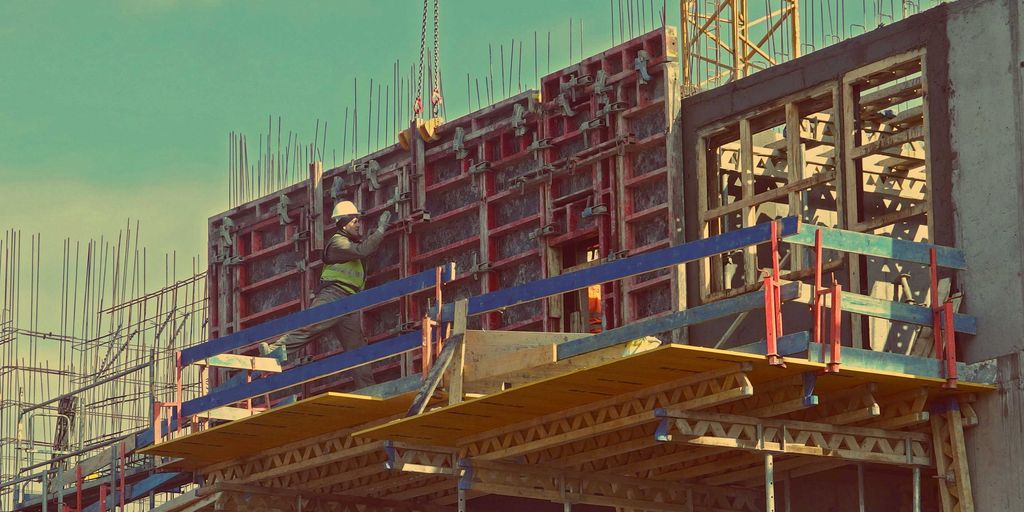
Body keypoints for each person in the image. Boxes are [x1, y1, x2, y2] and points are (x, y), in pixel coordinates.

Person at [260, 200, 391, 390]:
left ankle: (368, 388)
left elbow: (363, 248)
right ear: (344, 222)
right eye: (355, 221)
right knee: (310, 327)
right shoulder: (338, 243)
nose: (358, 225)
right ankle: (273, 352)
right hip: (333, 295)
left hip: (350, 303)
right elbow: (363, 250)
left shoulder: (350, 243)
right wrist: (380, 231)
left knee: (357, 350)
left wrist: (375, 235)